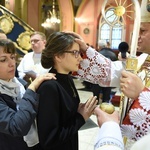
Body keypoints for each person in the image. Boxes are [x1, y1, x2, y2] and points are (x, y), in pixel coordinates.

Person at [66, 0, 150, 148]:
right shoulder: (142, 59)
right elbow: (112, 72)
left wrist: (142, 94)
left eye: (142, 31)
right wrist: (85, 51)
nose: (137, 36)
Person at [35, 32, 98, 150]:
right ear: (58, 56)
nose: (80, 58)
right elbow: (49, 139)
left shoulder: (67, 78)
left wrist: (77, 109)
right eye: (75, 53)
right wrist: (81, 117)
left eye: (79, 53)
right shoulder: (49, 87)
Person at [0, 39, 56, 150]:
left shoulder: (20, 84)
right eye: (3, 60)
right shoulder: (27, 86)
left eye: (12, 57)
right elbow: (17, 127)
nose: (12, 64)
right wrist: (32, 88)